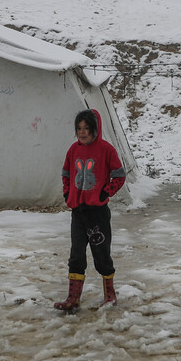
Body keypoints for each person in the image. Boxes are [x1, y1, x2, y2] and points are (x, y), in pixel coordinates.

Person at [54, 108, 127, 310]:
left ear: (95, 129)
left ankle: (110, 295)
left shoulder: (106, 150)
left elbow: (119, 175)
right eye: (79, 128)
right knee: (76, 254)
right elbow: (66, 174)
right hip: (78, 212)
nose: (82, 132)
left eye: (86, 128)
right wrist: (68, 193)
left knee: (101, 254)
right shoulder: (73, 150)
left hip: (97, 213)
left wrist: (105, 192)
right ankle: (73, 298)